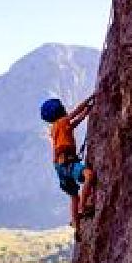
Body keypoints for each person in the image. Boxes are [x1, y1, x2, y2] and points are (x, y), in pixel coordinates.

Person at [40, 94, 97, 241]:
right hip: (69, 164)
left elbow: (74, 122)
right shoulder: (61, 122)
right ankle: (83, 207)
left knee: (73, 196)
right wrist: (92, 97)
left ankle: (77, 227)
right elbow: (76, 112)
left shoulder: (57, 128)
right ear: (60, 111)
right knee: (89, 176)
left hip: (60, 167)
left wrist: (87, 112)